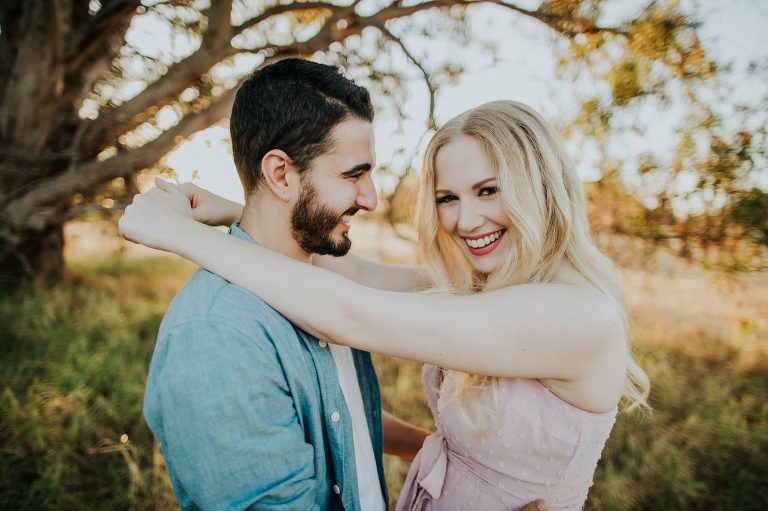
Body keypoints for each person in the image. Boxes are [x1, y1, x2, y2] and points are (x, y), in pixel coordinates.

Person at [119, 100, 644, 510]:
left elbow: (355, 312)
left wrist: (178, 235)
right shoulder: (494, 288)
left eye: (489, 190)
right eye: (447, 198)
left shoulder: (578, 316)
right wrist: (240, 212)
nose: (465, 221)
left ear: (542, 186)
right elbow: (362, 275)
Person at [140, 57, 438, 511]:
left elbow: (344, 416)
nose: (371, 198)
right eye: (353, 174)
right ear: (281, 174)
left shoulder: (322, 282)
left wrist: (433, 450)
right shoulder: (218, 335)